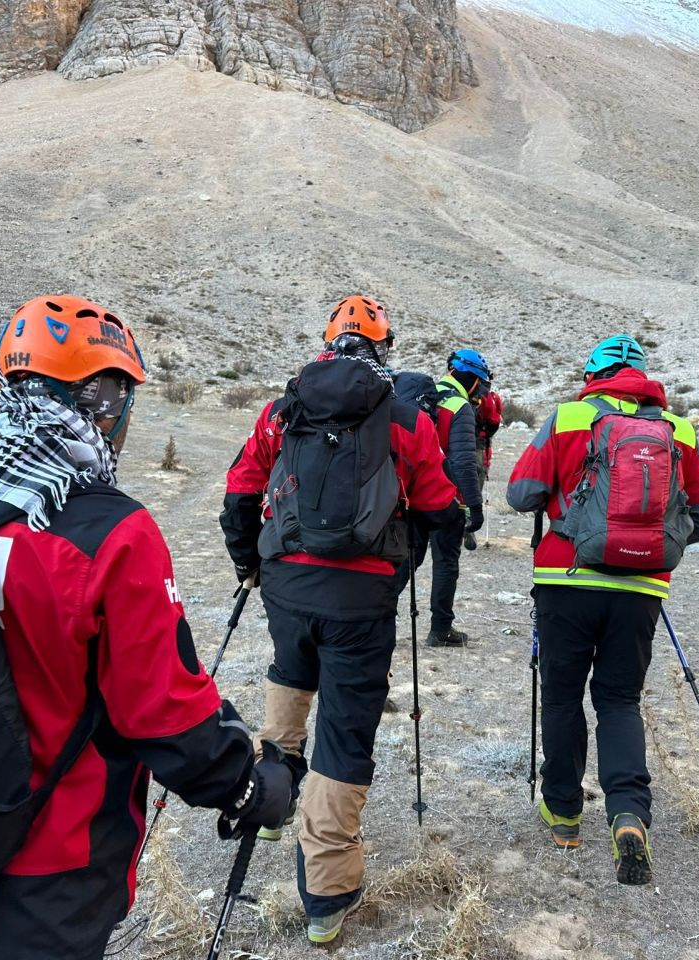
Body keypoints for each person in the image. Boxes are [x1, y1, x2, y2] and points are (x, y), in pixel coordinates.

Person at [0, 295, 292, 960]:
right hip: (53, 864)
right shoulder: (114, 533)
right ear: (106, 404)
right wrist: (246, 785)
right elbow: (162, 715)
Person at [220, 295, 458, 944]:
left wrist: (252, 565)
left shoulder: (283, 408)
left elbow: (240, 491)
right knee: (345, 735)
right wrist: (400, 563)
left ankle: (272, 802)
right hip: (361, 599)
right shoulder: (406, 417)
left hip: (288, 586)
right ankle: (326, 896)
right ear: (384, 348)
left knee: (289, 677)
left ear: (327, 343)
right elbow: (442, 508)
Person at [506, 334, 699, 885]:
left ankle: (563, 813)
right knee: (620, 699)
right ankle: (628, 814)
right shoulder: (677, 429)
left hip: (565, 578)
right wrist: (656, 543)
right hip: (641, 587)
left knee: (561, 696)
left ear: (591, 374)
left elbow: (520, 493)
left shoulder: (570, 417)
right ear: (645, 376)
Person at [401, 348, 491, 646]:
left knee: (405, 563)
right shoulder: (459, 406)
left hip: (410, 498)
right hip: (444, 501)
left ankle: (377, 617)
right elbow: (464, 463)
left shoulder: (418, 397)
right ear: (474, 381)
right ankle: (440, 629)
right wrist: (475, 507)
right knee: (445, 563)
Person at [466, 386, 504, 550]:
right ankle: (469, 526)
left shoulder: (456, 394)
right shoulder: (488, 396)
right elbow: (494, 420)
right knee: (474, 489)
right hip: (479, 447)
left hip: (456, 447)